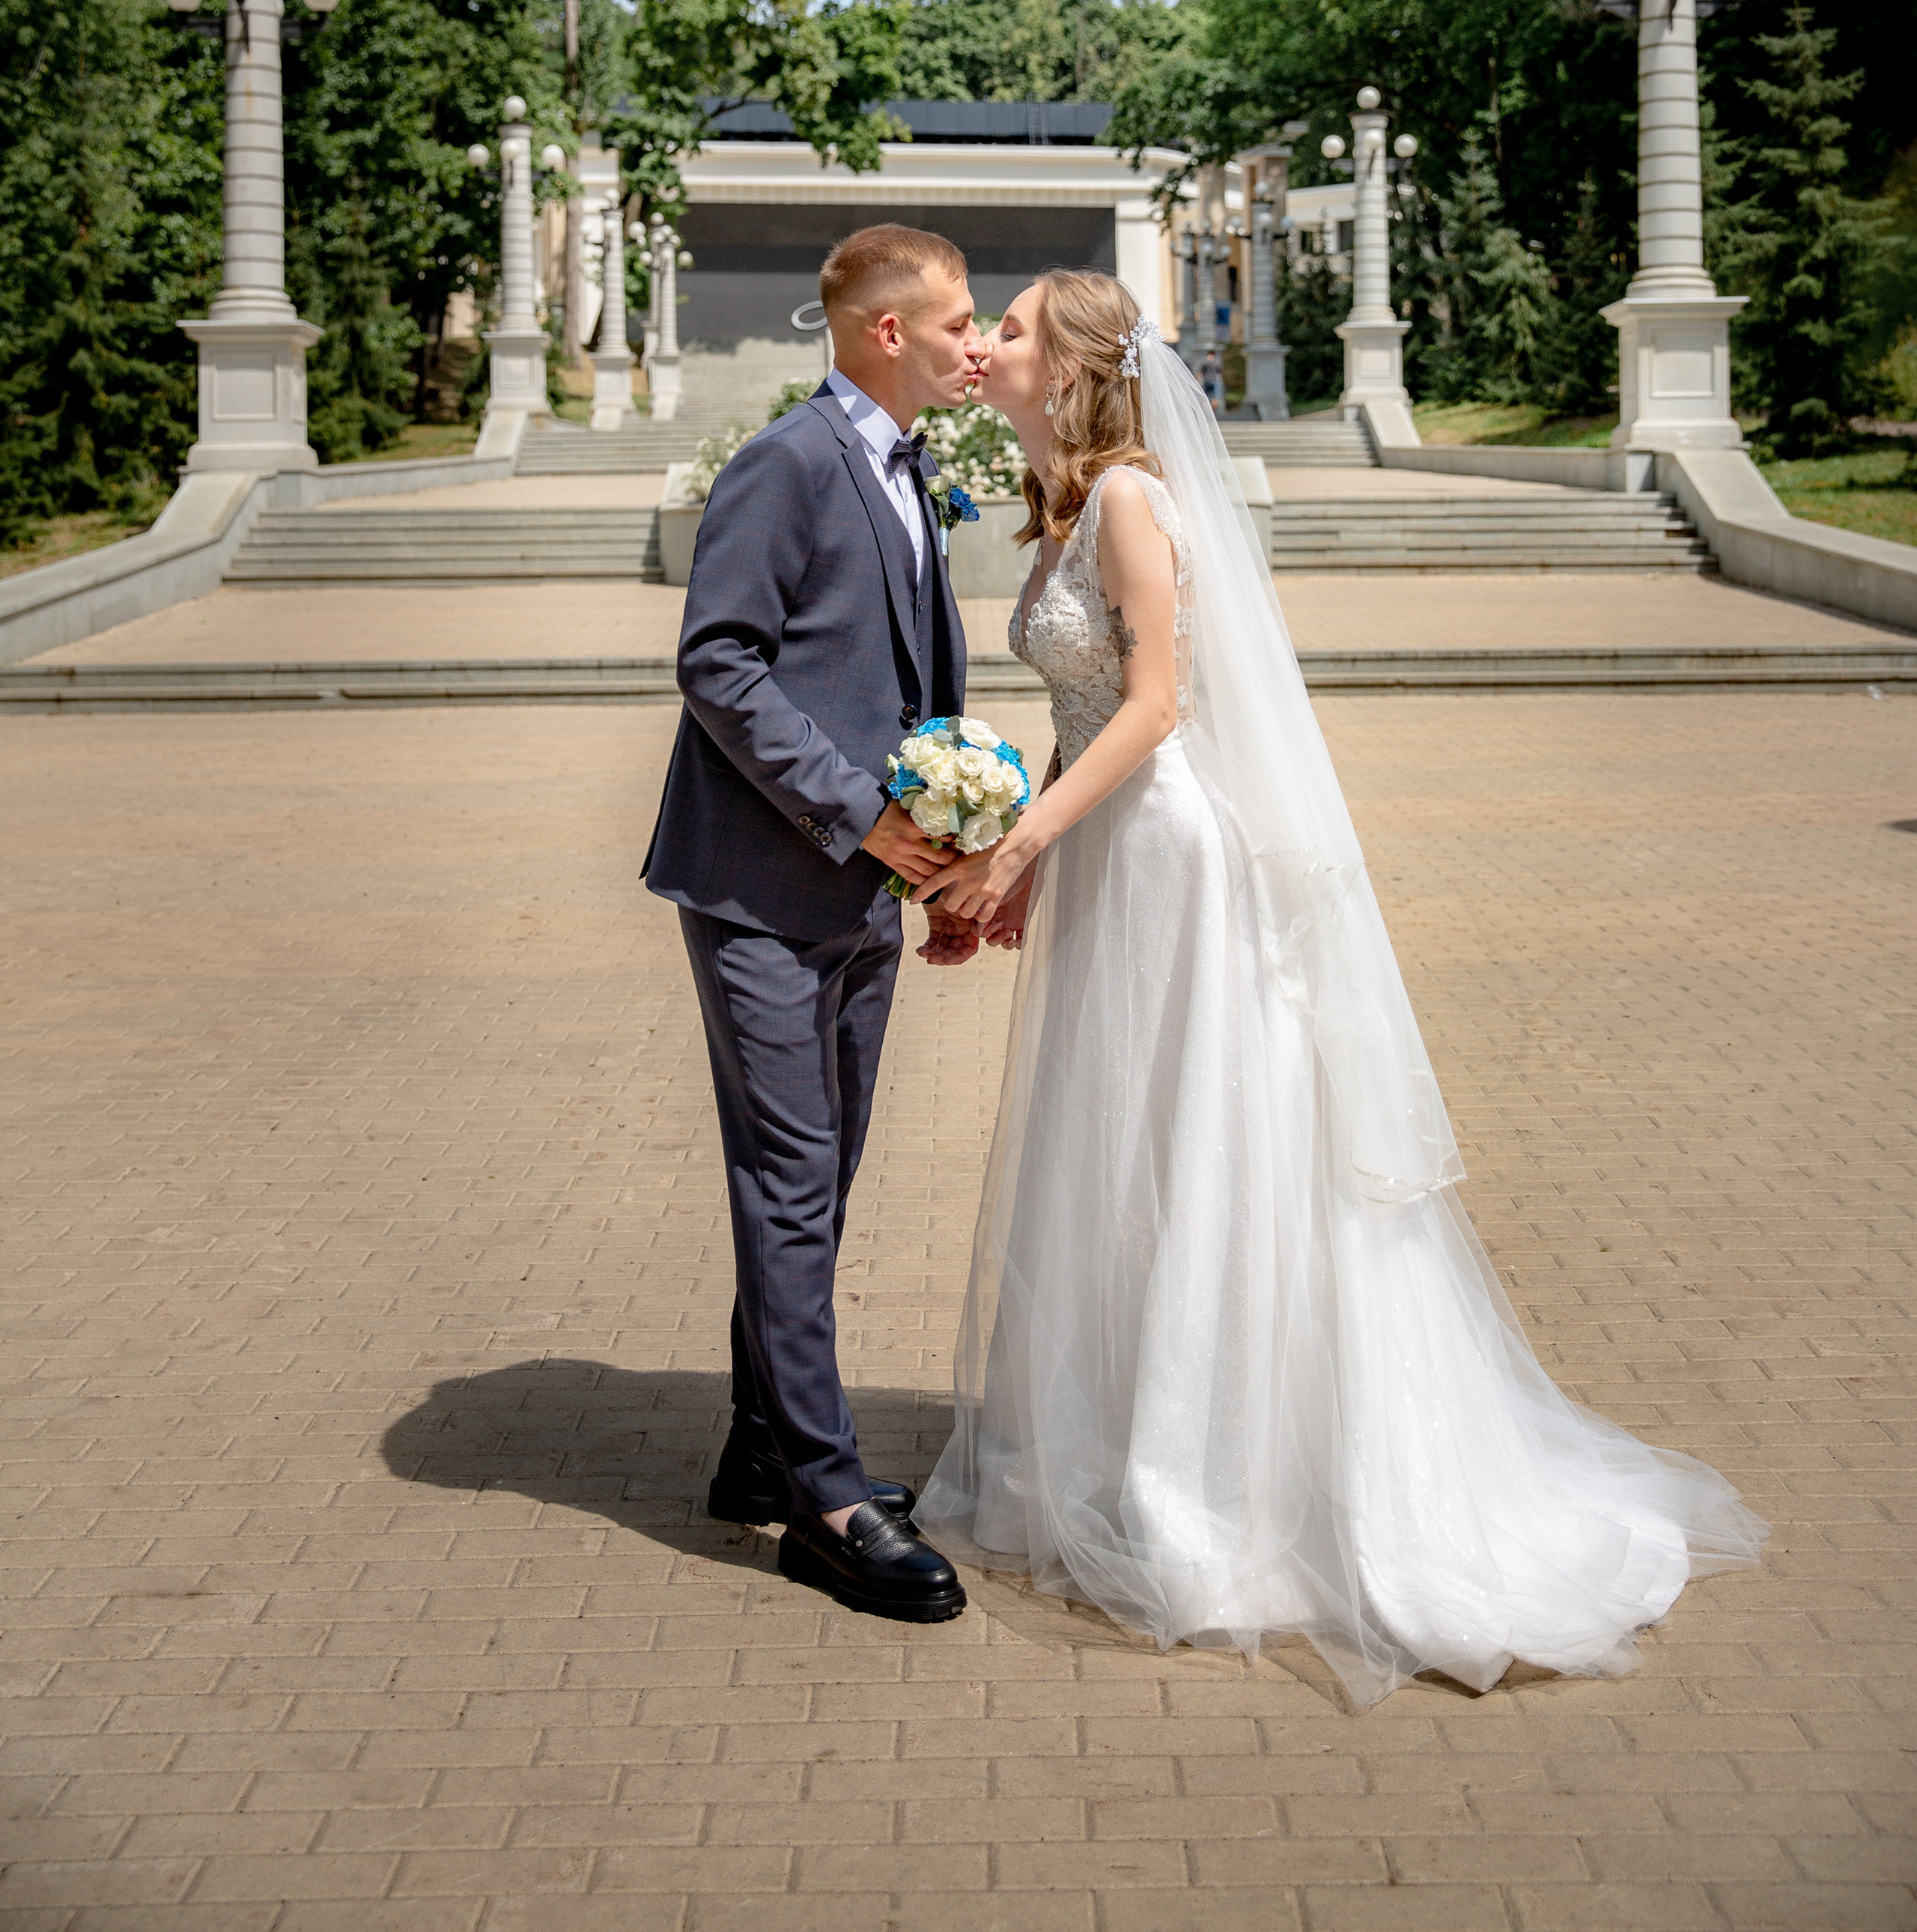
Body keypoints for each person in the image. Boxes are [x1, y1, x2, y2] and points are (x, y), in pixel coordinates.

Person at [914, 268, 1765, 1702]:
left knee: (1193, 1144)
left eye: (1006, 327)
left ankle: (1213, 1478)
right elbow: (1084, 709)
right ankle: (1137, 1438)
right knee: (1121, 1151)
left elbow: (1158, 705)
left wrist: (1024, 846)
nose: (984, 342)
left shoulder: (1128, 500)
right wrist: (1040, 861)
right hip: (1109, 851)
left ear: (1064, 368)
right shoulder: (1065, 503)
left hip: (1173, 855)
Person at [644, 224, 984, 1625]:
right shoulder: (787, 462)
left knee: (821, 1176)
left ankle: (757, 1447)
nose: (981, 339)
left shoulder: (910, 469)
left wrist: (939, 849)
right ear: (887, 333)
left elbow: (900, 678)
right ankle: (829, 1501)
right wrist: (859, 815)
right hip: (765, 890)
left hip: (863, 890)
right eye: (961, 321)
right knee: (793, 1179)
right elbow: (715, 661)